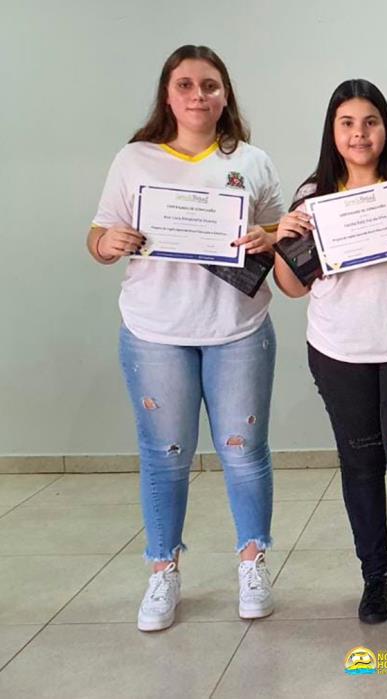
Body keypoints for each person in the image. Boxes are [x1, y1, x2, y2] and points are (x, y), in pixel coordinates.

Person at [87, 45, 284, 632]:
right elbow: (98, 235)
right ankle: (162, 571)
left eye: (210, 85)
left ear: (226, 95)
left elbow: (281, 231)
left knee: (243, 452)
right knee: (165, 455)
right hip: (155, 330)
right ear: (167, 96)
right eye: (186, 85)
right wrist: (108, 243)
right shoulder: (134, 159)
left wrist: (268, 236)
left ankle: (252, 563)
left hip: (237, 328)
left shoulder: (252, 161)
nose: (199, 95)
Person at [273, 79, 387, 638]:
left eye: (370, 121)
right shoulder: (312, 195)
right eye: (347, 123)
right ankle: (374, 577)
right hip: (338, 354)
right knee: (360, 470)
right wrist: (285, 238)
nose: (360, 134)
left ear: (386, 128)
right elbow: (292, 287)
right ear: (333, 132)